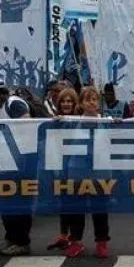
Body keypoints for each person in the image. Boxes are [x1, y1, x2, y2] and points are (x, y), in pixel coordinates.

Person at [52, 87, 112, 259]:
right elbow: (59, 133)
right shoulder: (73, 121)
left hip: (100, 172)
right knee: (76, 209)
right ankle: (76, 241)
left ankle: (102, 243)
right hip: (77, 171)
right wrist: (57, 121)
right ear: (81, 103)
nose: (91, 102)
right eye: (87, 99)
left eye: (94, 99)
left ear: (98, 103)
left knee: (100, 210)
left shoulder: (107, 122)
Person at [0, 74, 32, 256]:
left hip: (20, 162)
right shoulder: (1, 108)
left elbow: (26, 124)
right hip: (6, 161)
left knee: (18, 202)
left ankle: (21, 241)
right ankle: (11, 237)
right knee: (7, 202)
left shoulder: (13, 103)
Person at [46, 88, 82, 254]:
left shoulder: (81, 120)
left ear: (75, 103)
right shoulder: (55, 120)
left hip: (77, 167)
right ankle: (63, 235)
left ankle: (76, 240)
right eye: (63, 101)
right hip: (61, 166)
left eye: (69, 101)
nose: (66, 104)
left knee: (75, 205)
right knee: (63, 202)